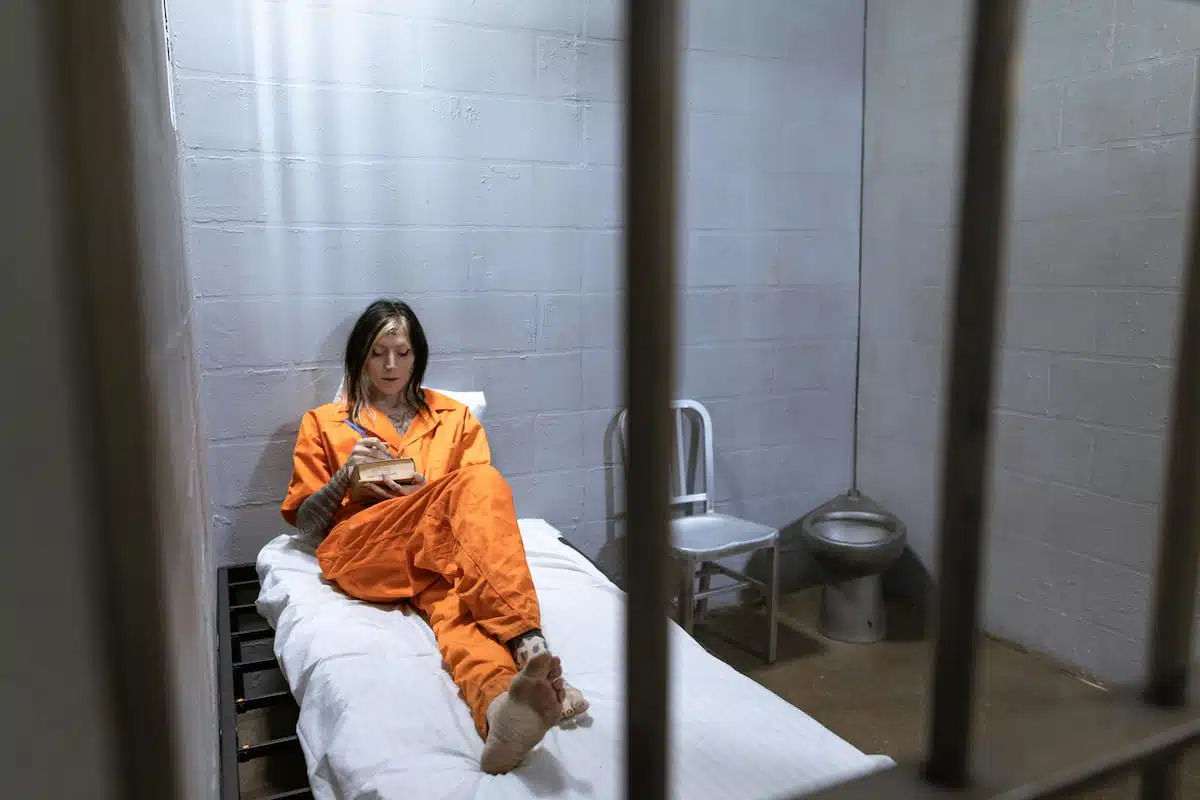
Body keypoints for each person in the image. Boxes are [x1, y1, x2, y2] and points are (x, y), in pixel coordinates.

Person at [280, 299, 588, 774]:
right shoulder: (324, 422)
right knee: (477, 484)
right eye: (378, 352)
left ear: (417, 355)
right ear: (359, 354)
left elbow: (481, 514)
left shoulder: (454, 417)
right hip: (364, 551)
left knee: (459, 611)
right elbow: (305, 523)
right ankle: (534, 648)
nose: (390, 366)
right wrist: (347, 476)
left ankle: (504, 709)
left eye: (401, 353)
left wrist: (431, 493)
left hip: (437, 557)